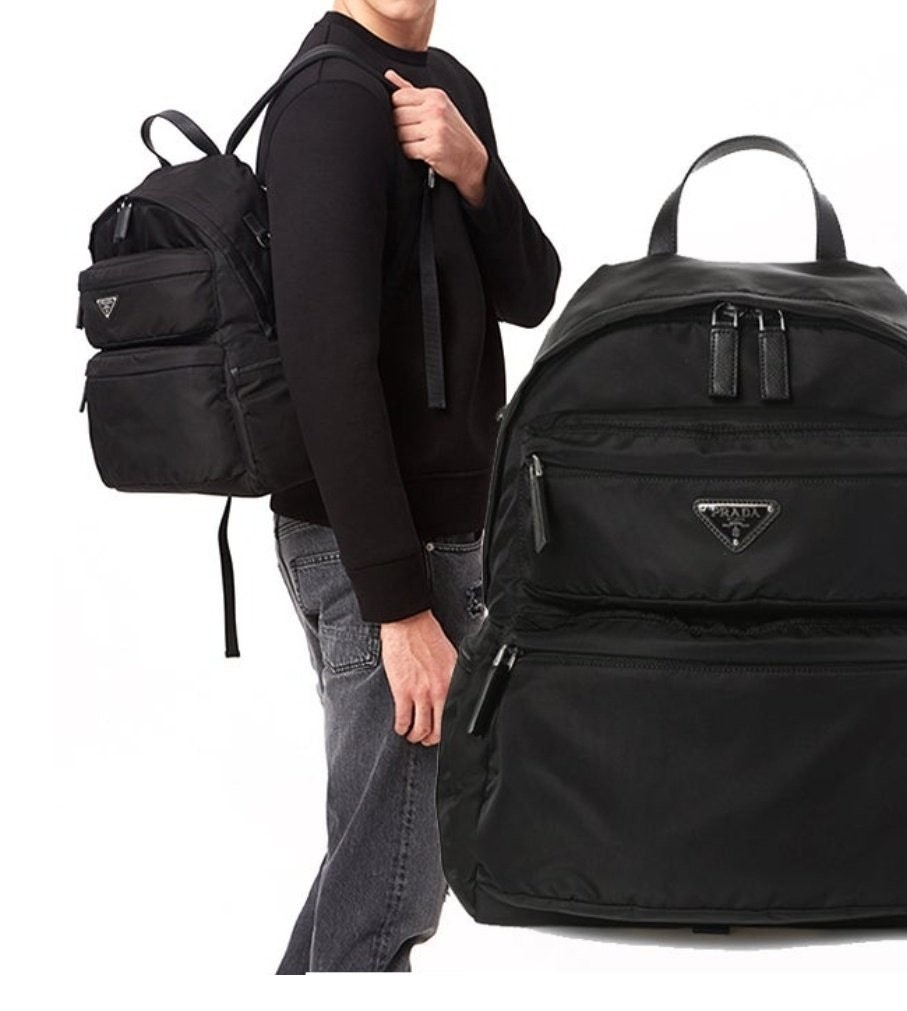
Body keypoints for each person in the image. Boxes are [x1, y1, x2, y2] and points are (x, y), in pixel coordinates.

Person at [255, 0, 560, 973]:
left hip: (442, 541)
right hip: (386, 557)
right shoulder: (326, 104)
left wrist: (475, 171)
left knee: (371, 878)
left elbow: (532, 292)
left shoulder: (451, 88)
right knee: (384, 901)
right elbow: (325, 369)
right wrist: (398, 607)